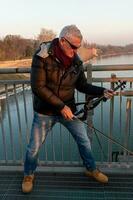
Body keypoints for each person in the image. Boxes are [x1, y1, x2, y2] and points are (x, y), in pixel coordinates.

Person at [22, 25, 114, 193]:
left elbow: (82, 85)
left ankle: (91, 169)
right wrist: (61, 106)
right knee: (33, 147)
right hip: (46, 112)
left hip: (68, 110)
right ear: (62, 41)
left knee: (84, 140)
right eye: (73, 46)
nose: (75, 51)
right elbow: (38, 88)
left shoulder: (76, 60)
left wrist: (102, 91)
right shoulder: (42, 56)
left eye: (78, 47)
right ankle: (28, 175)